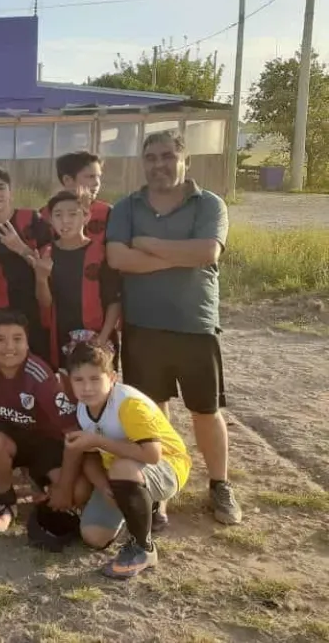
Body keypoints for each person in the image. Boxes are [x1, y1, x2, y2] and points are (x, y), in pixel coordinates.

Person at [105, 130, 240, 526]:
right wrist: (178, 257)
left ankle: (219, 484)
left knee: (205, 409)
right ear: (143, 162)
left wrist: (146, 244)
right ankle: (160, 485)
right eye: (151, 157)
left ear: (185, 161)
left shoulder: (209, 204)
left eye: (167, 156)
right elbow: (117, 258)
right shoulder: (127, 206)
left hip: (195, 325)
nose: (159, 164)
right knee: (152, 412)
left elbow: (207, 252)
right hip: (143, 327)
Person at [63, 342, 191, 579]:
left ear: (112, 378)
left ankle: (143, 548)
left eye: (94, 378)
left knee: (122, 467)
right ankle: (139, 504)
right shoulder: (82, 407)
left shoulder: (129, 404)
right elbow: (90, 456)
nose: (87, 387)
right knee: (94, 536)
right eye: (78, 380)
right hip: (120, 473)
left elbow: (152, 454)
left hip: (166, 465)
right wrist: (103, 486)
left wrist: (98, 441)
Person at [0, 310, 86, 535]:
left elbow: (73, 435)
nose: (9, 347)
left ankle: (39, 482)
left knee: (78, 493)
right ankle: (4, 503)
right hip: (8, 436)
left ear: (27, 342)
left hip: (45, 443)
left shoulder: (41, 377)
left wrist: (63, 487)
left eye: (17, 339)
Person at [0, 167, 52, 362]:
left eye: (0, 187)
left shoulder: (32, 220)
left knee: (41, 368)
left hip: (38, 311)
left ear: (10, 192)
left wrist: (21, 248)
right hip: (1, 315)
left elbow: (50, 267)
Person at [34, 190, 122, 371]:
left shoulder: (101, 253)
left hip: (99, 337)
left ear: (86, 216)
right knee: (68, 387)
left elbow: (115, 300)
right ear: (50, 220)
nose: (65, 221)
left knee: (100, 389)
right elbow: (45, 302)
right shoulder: (46, 253)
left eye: (73, 214)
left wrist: (102, 339)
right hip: (60, 337)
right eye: (58, 215)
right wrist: (41, 278)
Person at [40, 151, 111, 243]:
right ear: (67, 180)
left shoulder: (108, 213)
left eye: (98, 177)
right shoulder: (44, 214)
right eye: (90, 177)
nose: (97, 183)